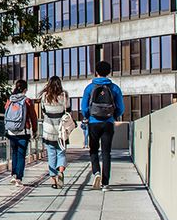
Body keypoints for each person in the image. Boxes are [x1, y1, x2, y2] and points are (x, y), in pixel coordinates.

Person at [80, 61, 125, 191]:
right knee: (106, 152)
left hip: (93, 122)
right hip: (108, 122)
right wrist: (114, 116)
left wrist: (88, 116)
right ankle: (105, 184)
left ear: (96, 72)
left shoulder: (89, 87)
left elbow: (84, 108)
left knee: (93, 150)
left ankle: (96, 172)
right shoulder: (114, 88)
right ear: (109, 72)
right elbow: (121, 107)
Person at [4, 79, 37, 188]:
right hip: (23, 130)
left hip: (11, 131)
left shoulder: (10, 100)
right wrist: (35, 130)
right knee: (21, 154)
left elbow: (6, 111)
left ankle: (13, 175)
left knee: (14, 153)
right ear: (25, 89)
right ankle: (19, 178)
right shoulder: (27, 101)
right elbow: (33, 117)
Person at [39, 76, 69, 189]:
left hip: (48, 129)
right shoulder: (64, 95)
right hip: (61, 130)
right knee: (61, 153)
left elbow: (43, 110)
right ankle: (60, 171)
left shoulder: (44, 96)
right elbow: (68, 110)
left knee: (51, 154)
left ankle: (54, 180)